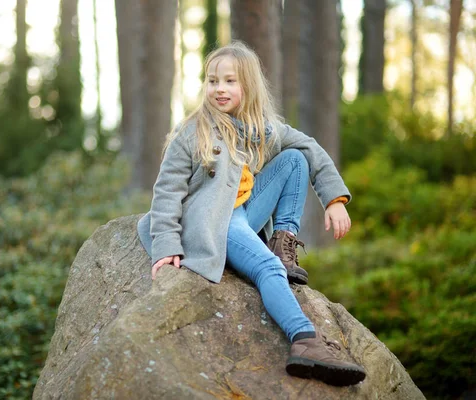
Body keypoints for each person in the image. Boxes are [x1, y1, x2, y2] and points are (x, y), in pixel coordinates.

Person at [137, 41, 366, 387]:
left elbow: (309, 146)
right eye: (213, 81)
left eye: (230, 81)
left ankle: (282, 242)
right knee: (267, 269)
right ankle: (305, 340)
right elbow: (167, 191)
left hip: (245, 212)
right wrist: (166, 244)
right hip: (214, 221)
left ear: (248, 85)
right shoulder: (193, 131)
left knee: (295, 158)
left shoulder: (261, 128)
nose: (219, 89)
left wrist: (334, 199)